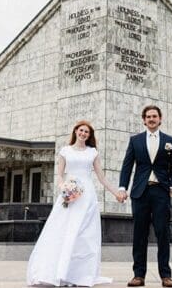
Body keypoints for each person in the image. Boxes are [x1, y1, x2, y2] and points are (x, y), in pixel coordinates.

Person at [27, 121, 122, 287]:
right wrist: (63, 188)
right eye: (81, 130)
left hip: (87, 197)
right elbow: (59, 175)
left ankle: (80, 274)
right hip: (69, 196)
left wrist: (116, 193)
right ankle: (59, 272)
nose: (83, 133)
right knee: (63, 230)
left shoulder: (93, 153)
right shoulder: (65, 151)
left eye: (87, 132)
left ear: (89, 136)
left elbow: (101, 177)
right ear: (76, 131)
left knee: (84, 234)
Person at [117, 105, 172, 288]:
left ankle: (166, 276)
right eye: (148, 116)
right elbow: (127, 166)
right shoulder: (135, 140)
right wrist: (122, 187)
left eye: (154, 116)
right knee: (139, 235)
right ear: (144, 120)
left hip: (161, 192)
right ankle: (138, 275)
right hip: (140, 192)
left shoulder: (170, 141)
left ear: (160, 119)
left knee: (163, 233)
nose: (151, 119)